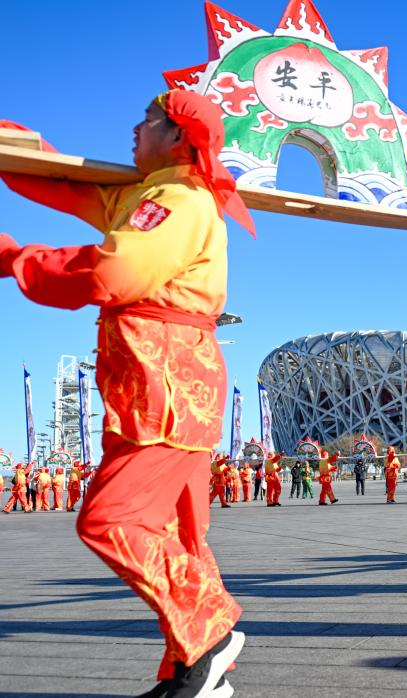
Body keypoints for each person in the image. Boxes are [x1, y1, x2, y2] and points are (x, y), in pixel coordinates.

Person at [0, 89, 252, 694]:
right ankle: (195, 671)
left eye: (146, 121)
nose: (133, 129)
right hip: (156, 382)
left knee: (112, 519)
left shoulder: (178, 199)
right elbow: (62, 183)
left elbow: (115, 271)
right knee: (175, 532)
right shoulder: (148, 193)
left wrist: (16, 258)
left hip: (166, 386)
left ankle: (210, 632)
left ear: (177, 136)